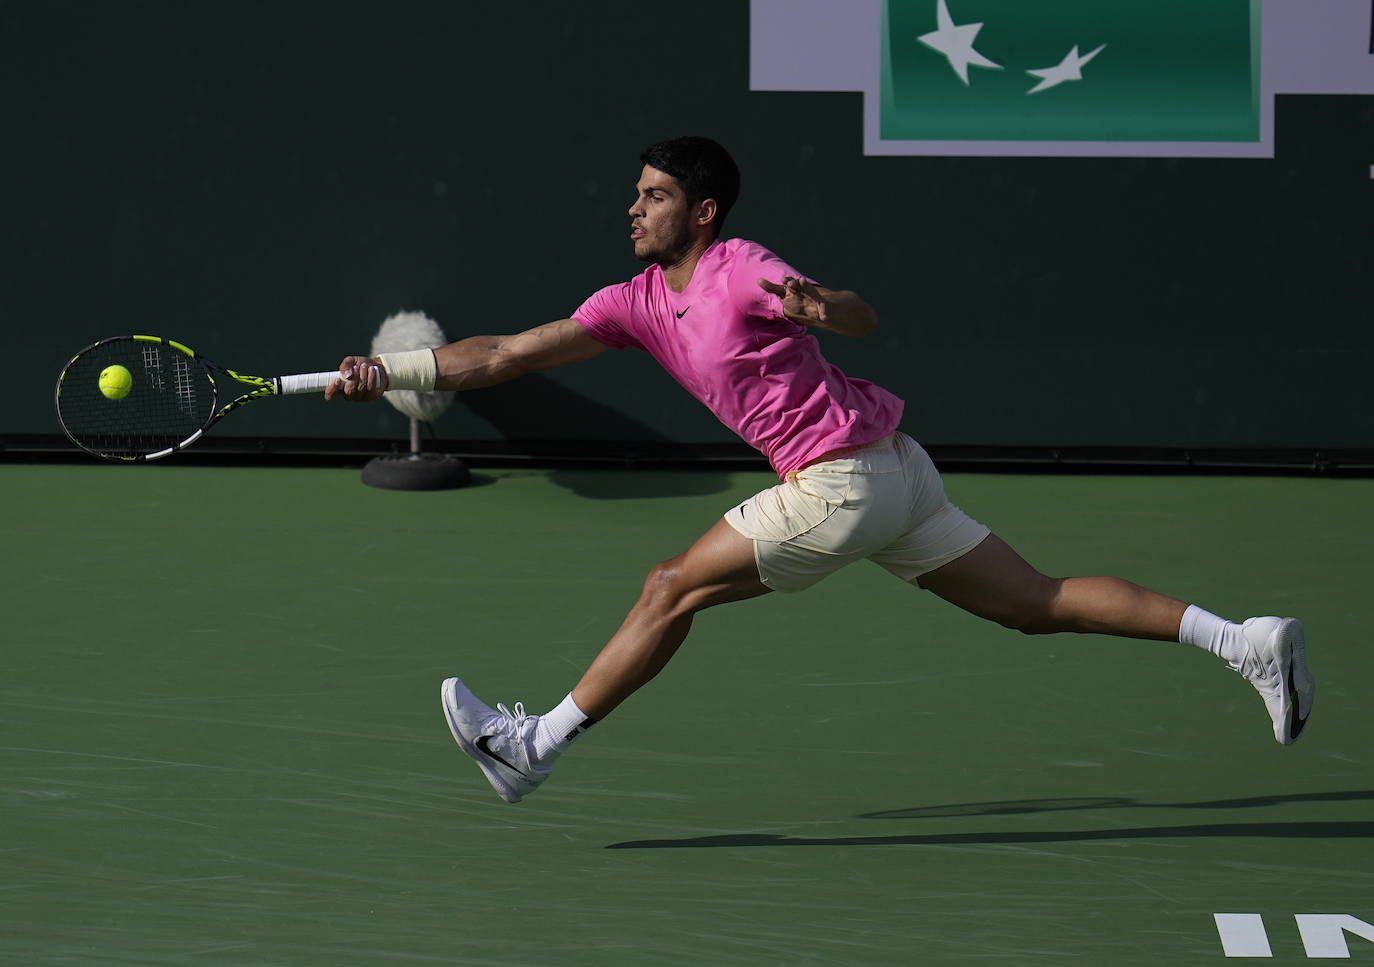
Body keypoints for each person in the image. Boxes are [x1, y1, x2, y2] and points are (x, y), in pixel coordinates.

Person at [326, 136, 1315, 804]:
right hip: (896, 476)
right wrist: (390, 373)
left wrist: (821, 306)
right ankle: (1247, 642)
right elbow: (500, 354)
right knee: (1035, 600)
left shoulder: (742, 266)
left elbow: (857, 315)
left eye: (656, 196)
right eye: (635, 193)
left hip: (843, 481)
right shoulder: (631, 301)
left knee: (669, 588)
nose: (634, 207)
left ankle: (530, 748)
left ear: (702, 212)